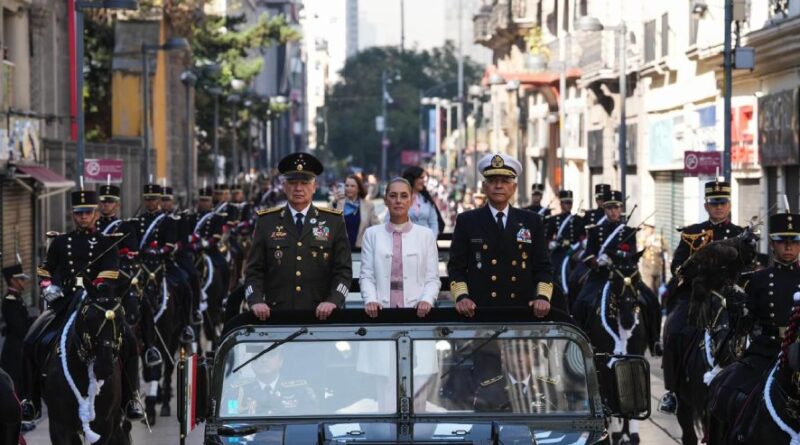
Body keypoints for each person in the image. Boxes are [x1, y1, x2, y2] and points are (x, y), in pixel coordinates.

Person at [20, 189, 122, 420]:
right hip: (64, 301)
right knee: (30, 340)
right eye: (79, 213)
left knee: (128, 340)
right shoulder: (60, 242)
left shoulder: (107, 243)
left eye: (87, 212)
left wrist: (94, 288)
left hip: (97, 302)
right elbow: (45, 268)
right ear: (73, 215)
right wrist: (48, 286)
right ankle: (30, 400)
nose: (83, 217)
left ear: (96, 214)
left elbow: (110, 272)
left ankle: (131, 398)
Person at [708, 211, 800, 434]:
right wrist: (738, 309)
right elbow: (745, 325)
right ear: (772, 244)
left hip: (798, 355)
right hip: (766, 351)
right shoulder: (759, 279)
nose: (788, 247)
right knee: (723, 389)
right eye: (782, 241)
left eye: (794, 241)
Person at [658, 179, 744, 413]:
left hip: (729, 299)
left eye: (723, 203)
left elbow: (748, 269)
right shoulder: (692, 233)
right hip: (696, 297)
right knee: (674, 330)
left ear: (729, 205)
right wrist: (695, 269)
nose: (719, 207)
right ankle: (673, 391)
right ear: (706, 206)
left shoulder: (740, 234)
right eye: (714, 203)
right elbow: (677, 267)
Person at [244, 152, 353, 321]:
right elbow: (253, 271)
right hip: (276, 316)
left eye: (305, 182)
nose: (298, 188)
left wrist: (333, 301)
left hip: (322, 317)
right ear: (284, 186)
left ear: (314, 186)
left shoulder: (333, 221)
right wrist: (256, 300)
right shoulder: (267, 221)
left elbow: (343, 271)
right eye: (293, 182)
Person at [448, 153, 554, 318]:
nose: (498, 186)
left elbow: (543, 267)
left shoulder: (531, 221)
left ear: (514, 187)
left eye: (505, 181)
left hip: (522, 311)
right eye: (492, 181)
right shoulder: (467, 221)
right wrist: (462, 297)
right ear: (484, 187)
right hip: (479, 310)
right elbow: (456, 267)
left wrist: (542, 297)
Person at [361, 178, 440, 318]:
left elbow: (432, 278)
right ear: (385, 200)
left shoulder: (426, 235)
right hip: (380, 313)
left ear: (411, 200)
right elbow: (367, 275)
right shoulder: (372, 234)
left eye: (404, 196)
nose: (398, 201)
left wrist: (427, 300)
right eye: (393, 196)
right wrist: (371, 300)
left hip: (417, 313)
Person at [572, 190, 637, 328]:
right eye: (609, 208)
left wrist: (614, 257)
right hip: (600, 276)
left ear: (621, 209)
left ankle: (653, 337)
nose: (613, 211)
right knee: (581, 302)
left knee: (649, 300)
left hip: (623, 276)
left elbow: (632, 255)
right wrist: (596, 261)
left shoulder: (629, 232)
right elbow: (588, 254)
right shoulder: (595, 231)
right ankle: (581, 332)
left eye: (616, 207)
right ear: (604, 209)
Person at [545, 190, 585, 287]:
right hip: (559, 251)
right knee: (554, 272)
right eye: (566, 203)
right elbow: (547, 238)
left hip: (573, 251)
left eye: (570, 203)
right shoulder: (554, 219)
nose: (568, 205)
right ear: (561, 203)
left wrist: (581, 248)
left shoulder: (578, 219)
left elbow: (582, 237)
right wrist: (551, 243)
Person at [0, 264, 31, 391]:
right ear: (13, 281)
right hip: (14, 350)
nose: (23, 282)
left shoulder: (17, 297)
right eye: (21, 279)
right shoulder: (10, 300)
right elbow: (18, 327)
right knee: (15, 384)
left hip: (19, 347)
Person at [335, 175, 380, 250]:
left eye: (352, 186)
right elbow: (331, 225)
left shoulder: (368, 205)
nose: (349, 188)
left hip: (361, 249)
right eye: (347, 186)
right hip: (341, 249)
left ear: (359, 189)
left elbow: (376, 227)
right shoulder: (336, 203)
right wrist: (337, 203)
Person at [399, 166, 442, 237]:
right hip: (405, 240)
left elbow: (434, 223)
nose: (424, 181)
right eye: (421, 178)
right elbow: (389, 220)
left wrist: (431, 239)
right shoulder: (399, 199)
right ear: (413, 178)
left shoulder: (427, 199)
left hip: (426, 240)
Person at [637, 224, 668, 295]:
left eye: (646, 229)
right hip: (647, 268)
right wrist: (645, 245)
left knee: (657, 288)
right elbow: (639, 251)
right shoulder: (642, 239)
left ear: (652, 229)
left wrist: (667, 262)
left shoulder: (659, 238)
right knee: (650, 288)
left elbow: (665, 251)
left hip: (657, 267)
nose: (645, 231)